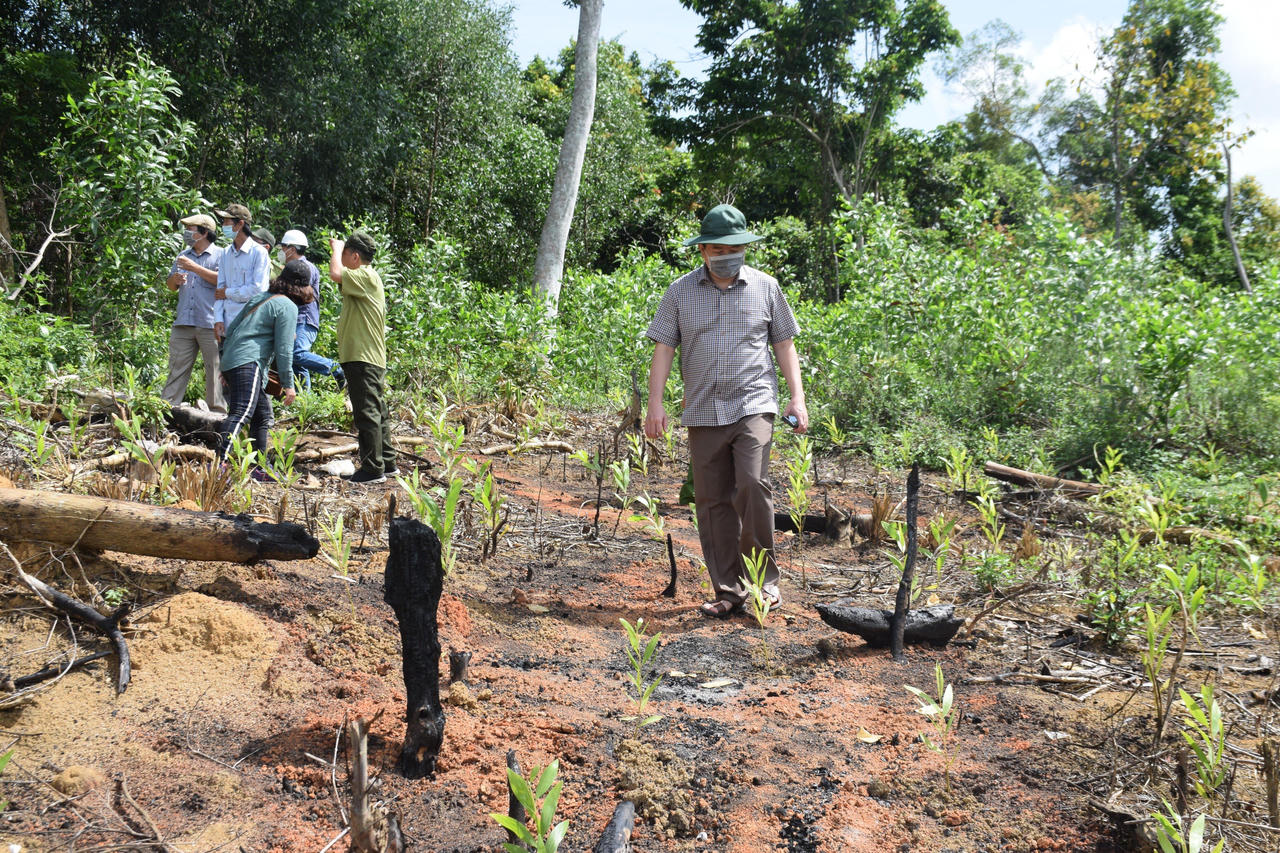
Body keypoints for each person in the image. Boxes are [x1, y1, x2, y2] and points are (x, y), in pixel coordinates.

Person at [643, 204, 808, 618]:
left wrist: (797, 398)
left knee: (752, 484)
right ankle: (729, 591)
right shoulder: (680, 292)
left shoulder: (766, 287)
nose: (726, 256)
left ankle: (763, 584)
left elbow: (784, 344)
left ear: (744, 248)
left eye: (734, 249)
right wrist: (655, 403)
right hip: (703, 408)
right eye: (718, 249)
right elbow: (664, 348)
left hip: (753, 402)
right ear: (703, 251)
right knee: (712, 500)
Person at [216, 259, 313, 465]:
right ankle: (218, 464)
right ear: (302, 288)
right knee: (241, 412)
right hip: (248, 361)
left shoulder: (261, 298)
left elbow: (231, 330)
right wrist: (288, 384)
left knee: (262, 415)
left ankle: (259, 467)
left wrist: (226, 365)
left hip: (235, 359)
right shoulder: (287, 306)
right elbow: (284, 349)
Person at [330, 231, 396, 484]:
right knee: (377, 411)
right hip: (366, 356)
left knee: (367, 413)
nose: (341, 259)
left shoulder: (365, 275)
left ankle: (372, 469)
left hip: (363, 356)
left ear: (355, 256)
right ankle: (386, 462)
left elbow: (335, 273)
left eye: (346, 255)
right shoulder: (364, 279)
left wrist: (336, 248)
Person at [160, 213, 227, 413]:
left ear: (204, 233)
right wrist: (175, 280)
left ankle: (217, 415)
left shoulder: (222, 255)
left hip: (211, 323)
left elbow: (223, 282)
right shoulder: (183, 255)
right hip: (184, 322)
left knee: (215, 372)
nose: (186, 233)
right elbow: (170, 285)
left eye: (190, 229)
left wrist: (195, 268)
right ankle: (165, 411)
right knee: (176, 369)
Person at [280, 228, 344, 391]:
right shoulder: (293, 267)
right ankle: (304, 399)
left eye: (283, 247)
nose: (281, 251)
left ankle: (336, 369)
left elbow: (300, 295)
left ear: (291, 249)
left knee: (296, 354)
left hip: (304, 319)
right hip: (297, 319)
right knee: (296, 362)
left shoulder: (305, 268)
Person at [213, 203, 270, 341]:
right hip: (226, 326)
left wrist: (228, 292)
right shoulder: (226, 253)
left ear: (240, 224)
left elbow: (258, 291)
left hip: (248, 325)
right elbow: (219, 291)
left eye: (226, 222)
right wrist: (218, 319)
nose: (223, 226)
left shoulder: (259, 253)